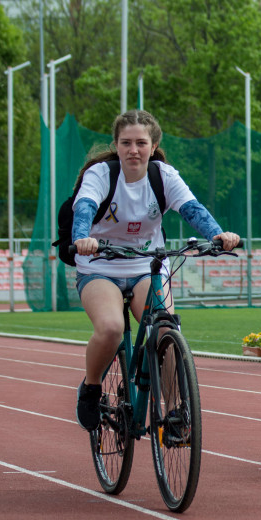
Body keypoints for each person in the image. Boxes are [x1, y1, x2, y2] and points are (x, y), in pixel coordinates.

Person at [72, 110, 240, 431]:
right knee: (110, 327)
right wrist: (82, 237)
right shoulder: (100, 175)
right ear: (116, 145)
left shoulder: (162, 176)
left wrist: (217, 235)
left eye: (140, 143)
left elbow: (192, 209)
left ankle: (177, 411)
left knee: (166, 331)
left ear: (154, 144)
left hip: (146, 265)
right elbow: (85, 207)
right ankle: (91, 388)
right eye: (126, 143)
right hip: (99, 265)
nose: (133, 150)